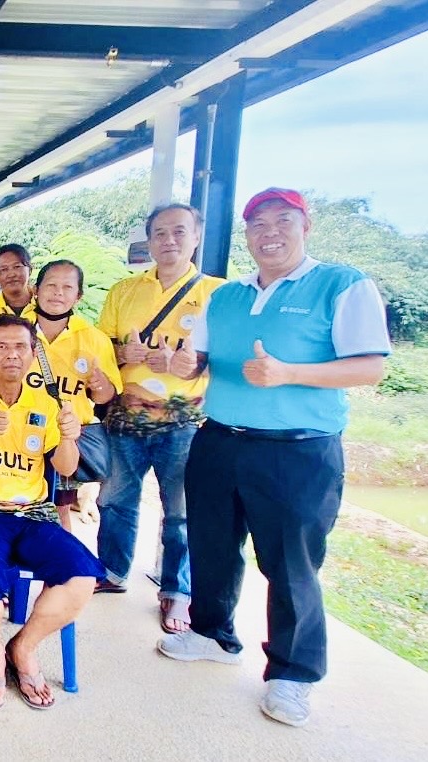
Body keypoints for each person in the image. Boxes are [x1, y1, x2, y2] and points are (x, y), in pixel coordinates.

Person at [158, 188, 390, 728]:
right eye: (258, 223)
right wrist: (185, 364)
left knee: (290, 563)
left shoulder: (342, 284)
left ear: (304, 225)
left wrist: (291, 372)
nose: (270, 232)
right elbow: (204, 362)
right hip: (219, 437)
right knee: (212, 543)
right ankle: (212, 631)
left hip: (299, 449)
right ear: (247, 235)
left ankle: (292, 673)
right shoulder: (229, 297)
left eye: (282, 220)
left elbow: (369, 367)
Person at [0, 315, 102, 710]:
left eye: (20, 347)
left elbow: (65, 469)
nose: (11, 354)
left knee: (82, 575)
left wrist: (69, 437)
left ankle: (23, 647)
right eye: (2, 347)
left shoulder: (47, 405)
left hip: (33, 515)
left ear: (33, 354)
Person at [95, 203, 224, 635]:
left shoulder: (218, 293)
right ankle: (112, 571)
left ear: (196, 237)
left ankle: (177, 591)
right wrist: (122, 354)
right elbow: (99, 352)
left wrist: (191, 365)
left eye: (179, 232)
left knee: (181, 512)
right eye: (160, 233)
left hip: (185, 421)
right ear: (148, 240)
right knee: (115, 499)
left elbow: (230, 361)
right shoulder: (124, 291)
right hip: (125, 418)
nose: (169, 241)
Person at [23, 260, 122, 527]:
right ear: (35, 289)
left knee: (60, 509)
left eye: (68, 287)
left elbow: (104, 397)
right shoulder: (15, 330)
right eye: (51, 285)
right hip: (18, 434)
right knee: (14, 506)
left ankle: (61, 567)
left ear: (79, 295)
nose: (58, 292)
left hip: (66, 438)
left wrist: (102, 388)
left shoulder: (94, 338)